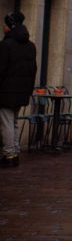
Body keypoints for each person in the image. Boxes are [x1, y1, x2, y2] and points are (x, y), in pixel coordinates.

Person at [0, 11, 37, 168]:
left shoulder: (6, 45)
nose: (3, 27)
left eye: (5, 24)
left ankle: (9, 154)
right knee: (13, 121)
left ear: (10, 26)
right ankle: (14, 151)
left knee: (6, 122)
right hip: (22, 91)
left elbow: (1, 69)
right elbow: (33, 69)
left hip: (6, 91)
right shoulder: (30, 46)